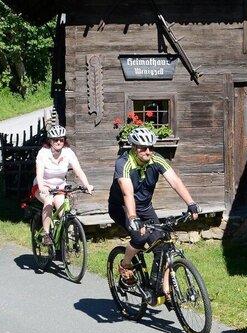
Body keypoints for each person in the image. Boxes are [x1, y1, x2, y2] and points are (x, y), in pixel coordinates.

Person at [108, 127, 200, 299]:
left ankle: (161, 289)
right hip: (121, 207)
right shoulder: (124, 163)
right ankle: (125, 265)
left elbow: (175, 181)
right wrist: (134, 219)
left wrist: (191, 203)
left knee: (161, 245)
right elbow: (127, 193)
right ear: (134, 147)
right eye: (143, 148)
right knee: (140, 237)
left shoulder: (156, 159)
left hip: (145, 207)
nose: (148, 151)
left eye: (151, 147)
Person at [34, 125, 93, 244]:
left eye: (61, 139)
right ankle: (46, 234)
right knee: (48, 201)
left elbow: (78, 170)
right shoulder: (43, 153)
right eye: (56, 140)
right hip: (43, 186)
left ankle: (64, 245)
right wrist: (42, 188)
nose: (59, 142)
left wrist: (87, 184)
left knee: (64, 215)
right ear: (50, 141)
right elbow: (39, 174)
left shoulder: (68, 152)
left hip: (59, 187)